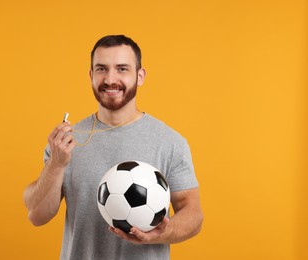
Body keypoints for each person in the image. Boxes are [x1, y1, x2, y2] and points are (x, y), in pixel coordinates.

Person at [23, 35, 203, 260]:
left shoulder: (170, 142)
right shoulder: (67, 142)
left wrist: (164, 232)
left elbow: (193, 213)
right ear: (90, 76)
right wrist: (56, 164)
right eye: (101, 69)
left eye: (122, 69)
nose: (110, 79)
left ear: (140, 76)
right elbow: (37, 215)